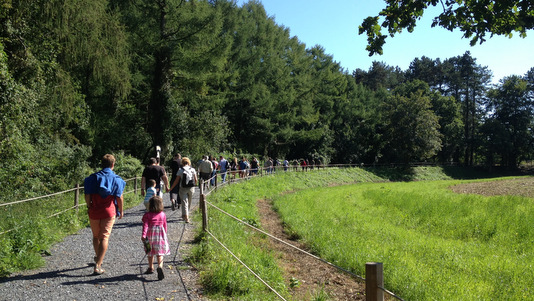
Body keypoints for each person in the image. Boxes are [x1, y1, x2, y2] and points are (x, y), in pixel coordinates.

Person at [84, 154, 125, 275]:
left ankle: (98, 258)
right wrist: (121, 211)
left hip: (94, 210)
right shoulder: (116, 179)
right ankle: (98, 265)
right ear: (113, 164)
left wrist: (89, 206)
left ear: (101, 164)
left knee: (96, 236)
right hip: (109, 211)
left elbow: (87, 196)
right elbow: (119, 198)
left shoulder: (92, 178)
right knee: (104, 237)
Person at [141, 195, 170, 280]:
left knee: (150, 251)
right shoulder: (162, 214)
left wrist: (143, 235)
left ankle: (151, 267)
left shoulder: (147, 215)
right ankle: (160, 267)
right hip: (160, 235)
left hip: (150, 234)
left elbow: (145, 225)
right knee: (160, 252)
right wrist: (165, 235)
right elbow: (165, 226)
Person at [169, 157, 197, 223]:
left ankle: (185, 216)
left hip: (183, 188)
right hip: (191, 188)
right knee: (189, 202)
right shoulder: (192, 169)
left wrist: (171, 188)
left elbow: (176, 181)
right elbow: (195, 179)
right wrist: (194, 185)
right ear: (189, 162)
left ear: (182, 163)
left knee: (184, 202)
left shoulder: (181, 170)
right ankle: (186, 215)